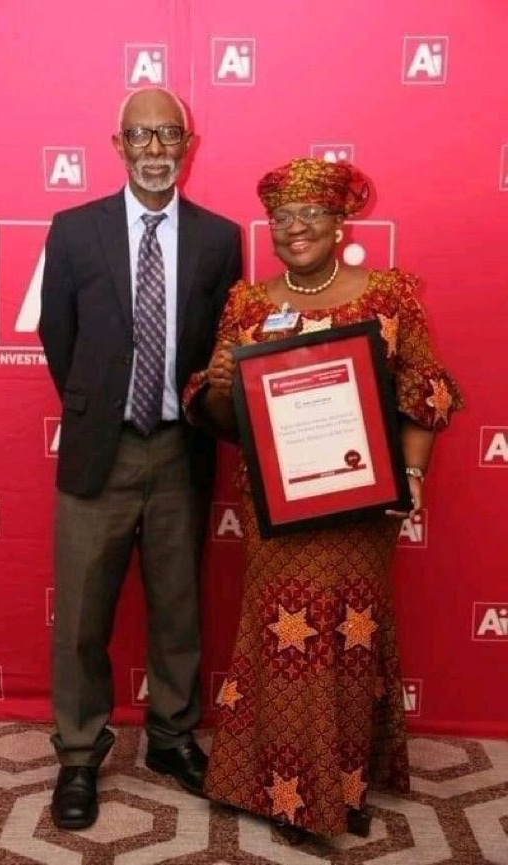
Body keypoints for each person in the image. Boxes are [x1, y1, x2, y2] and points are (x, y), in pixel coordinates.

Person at [183, 157, 462, 842]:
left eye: (311, 213)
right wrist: (219, 380)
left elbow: (425, 394)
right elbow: (221, 419)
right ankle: (290, 792)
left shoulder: (388, 296)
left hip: (360, 509)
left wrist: (415, 478)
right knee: (285, 641)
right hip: (277, 511)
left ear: (341, 223)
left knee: (349, 637)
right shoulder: (249, 304)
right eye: (282, 217)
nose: (295, 227)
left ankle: (343, 783)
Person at [39, 86, 243, 831]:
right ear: (117, 144)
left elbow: (221, 349)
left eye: (170, 136)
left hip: (179, 449)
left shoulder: (221, 239)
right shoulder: (73, 230)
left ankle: (170, 737)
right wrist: (100, 406)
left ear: (187, 148)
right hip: (102, 451)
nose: (157, 149)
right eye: (141, 136)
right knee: (83, 614)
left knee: (178, 607)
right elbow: (58, 336)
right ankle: (80, 753)